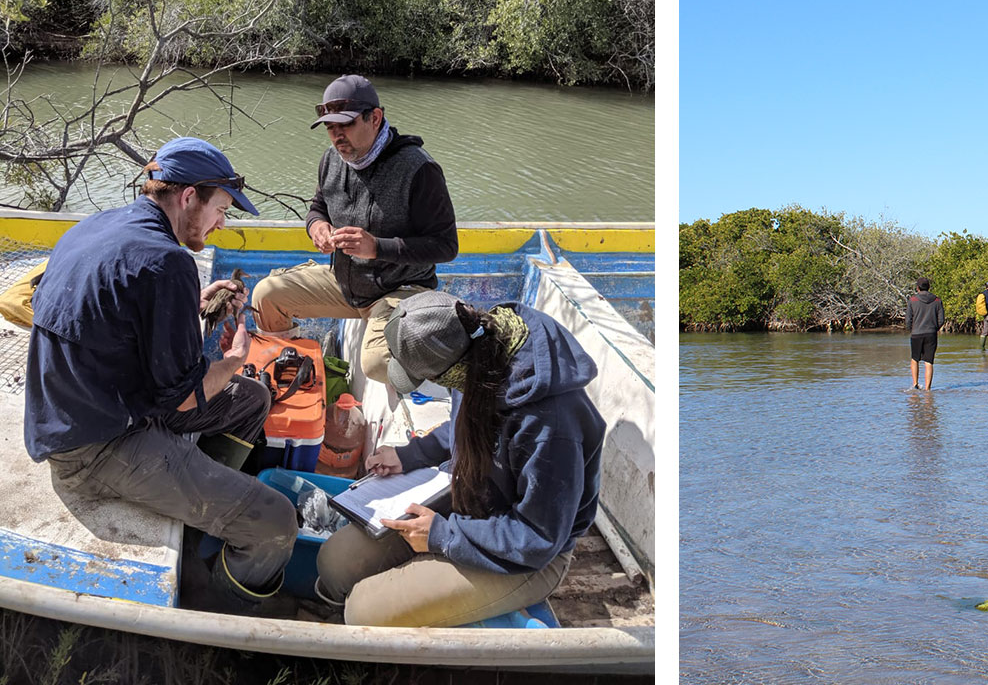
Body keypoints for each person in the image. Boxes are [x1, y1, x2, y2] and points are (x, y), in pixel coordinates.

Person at [24, 138, 297, 614]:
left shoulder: (98, 225)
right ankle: (223, 620)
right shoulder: (168, 262)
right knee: (276, 519)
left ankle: (203, 516)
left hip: (81, 410)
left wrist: (188, 305)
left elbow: (111, 320)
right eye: (221, 209)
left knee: (251, 398)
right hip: (95, 448)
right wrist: (232, 359)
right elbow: (183, 401)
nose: (222, 223)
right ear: (189, 196)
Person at [313, 290, 606, 627]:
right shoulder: (475, 355)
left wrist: (441, 536)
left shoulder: (549, 424)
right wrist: (410, 456)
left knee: (363, 612)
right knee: (335, 563)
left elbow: (537, 539)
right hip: (469, 501)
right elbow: (460, 429)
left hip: (529, 553)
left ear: (450, 372)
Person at [251, 74, 459, 385]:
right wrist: (317, 226)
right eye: (330, 128)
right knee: (266, 295)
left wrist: (377, 247)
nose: (336, 136)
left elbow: (446, 246)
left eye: (345, 125)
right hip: (346, 284)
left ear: (375, 118)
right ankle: (288, 375)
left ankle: (454, 363)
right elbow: (317, 207)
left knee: (375, 364)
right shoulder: (332, 160)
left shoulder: (419, 169)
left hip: (400, 290)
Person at [905, 276, 945, 390]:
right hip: (931, 334)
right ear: (929, 287)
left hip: (916, 333)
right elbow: (941, 320)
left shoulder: (912, 300)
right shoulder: (937, 300)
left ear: (917, 288)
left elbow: (908, 320)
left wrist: (911, 329)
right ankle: (927, 389)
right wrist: (934, 329)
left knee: (914, 359)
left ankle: (915, 384)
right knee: (929, 361)